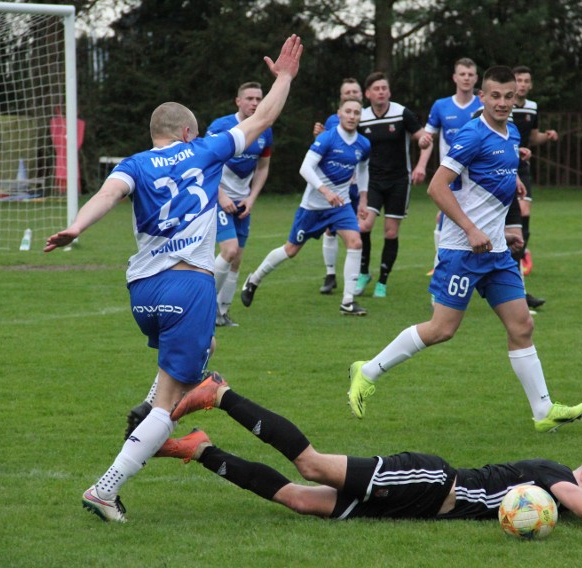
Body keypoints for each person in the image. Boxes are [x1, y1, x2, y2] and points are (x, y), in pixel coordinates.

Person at [43, 35, 303, 523]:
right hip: (188, 286)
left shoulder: (134, 163)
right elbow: (263, 118)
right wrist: (284, 77)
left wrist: (76, 226)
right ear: (187, 132)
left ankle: (148, 414)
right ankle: (106, 486)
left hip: (143, 292)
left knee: (191, 367)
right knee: (172, 399)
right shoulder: (203, 150)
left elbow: (107, 194)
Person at [346, 67, 582, 432]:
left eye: (509, 96)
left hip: (495, 254)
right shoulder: (472, 134)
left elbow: (498, 183)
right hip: (462, 250)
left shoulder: (512, 133)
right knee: (442, 329)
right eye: (495, 96)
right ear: (482, 97)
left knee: (522, 325)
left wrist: (507, 227)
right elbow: (437, 187)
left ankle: (543, 411)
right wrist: (472, 228)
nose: (504, 102)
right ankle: (366, 372)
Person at [160, 374, 582, 530]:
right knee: (311, 464)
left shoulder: (569, 490)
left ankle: (199, 449)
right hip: (427, 482)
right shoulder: (554, 474)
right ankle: (222, 394)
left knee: (302, 501)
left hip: (419, 506)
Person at [240, 97, 370, 316]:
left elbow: (364, 171)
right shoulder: (328, 138)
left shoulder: (363, 144)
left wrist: (364, 199)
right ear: (339, 113)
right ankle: (254, 279)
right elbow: (305, 168)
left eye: (356, 113)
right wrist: (325, 191)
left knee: (355, 243)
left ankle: (347, 302)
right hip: (313, 206)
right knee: (291, 250)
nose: (352, 116)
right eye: (348, 111)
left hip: (341, 205)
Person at [355, 71, 433, 298]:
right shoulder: (362, 117)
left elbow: (424, 140)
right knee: (364, 227)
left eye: (384, 88)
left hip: (399, 180)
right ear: (368, 93)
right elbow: (351, 144)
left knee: (390, 232)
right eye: (376, 89)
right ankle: (363, 273)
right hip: (371, 181)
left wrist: (421, 162)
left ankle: (382, 281)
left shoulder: (402, 114)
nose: (381, 92)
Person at [207, 82, 274, 327]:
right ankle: (205, 306)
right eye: (249, 98)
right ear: (238, 101)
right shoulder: (221, 127)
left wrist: (251, 198)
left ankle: (222, 313)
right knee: (229, 250)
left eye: (259, 99)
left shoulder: (265, 130)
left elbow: (263, 168)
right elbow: (206, 164)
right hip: (218, 200)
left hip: (243, 203)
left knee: (237, 259)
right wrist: (221, 196)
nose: (255, 103)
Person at [421, 58, 482, 277]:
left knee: (473, 219)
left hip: (478, 177)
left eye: (470, 74)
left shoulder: (482, 106)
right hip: (451, 176)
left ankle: (475, 269)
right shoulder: (441, 106)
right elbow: (428, 137)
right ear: (454, 78)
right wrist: (421, 162)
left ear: (476, 79)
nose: (466, 78)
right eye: (462, 74)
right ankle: (441, 267)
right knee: (445, 219)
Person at [511, 66, 558, 308]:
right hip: (503, 164)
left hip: (522, 167)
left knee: (524, 214)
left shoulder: (532, 107)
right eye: (518, 80)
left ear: (530, 85)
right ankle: (513, 258)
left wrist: (546, 136)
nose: (522, 84)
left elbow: (533, 137)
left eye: (526, 81)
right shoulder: (503, 105)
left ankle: (519, 253)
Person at [313, 78, 363, 295]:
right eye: (347, 92)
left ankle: (358, 275)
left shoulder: (364, 118)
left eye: (355, 91)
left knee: (359, 231)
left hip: (356, 185)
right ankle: (331, 274)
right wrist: (317, 137)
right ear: (341, 99)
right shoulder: (333, 121)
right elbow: (319, 153)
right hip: (335, 186)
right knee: (329, 230)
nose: (351, 94)